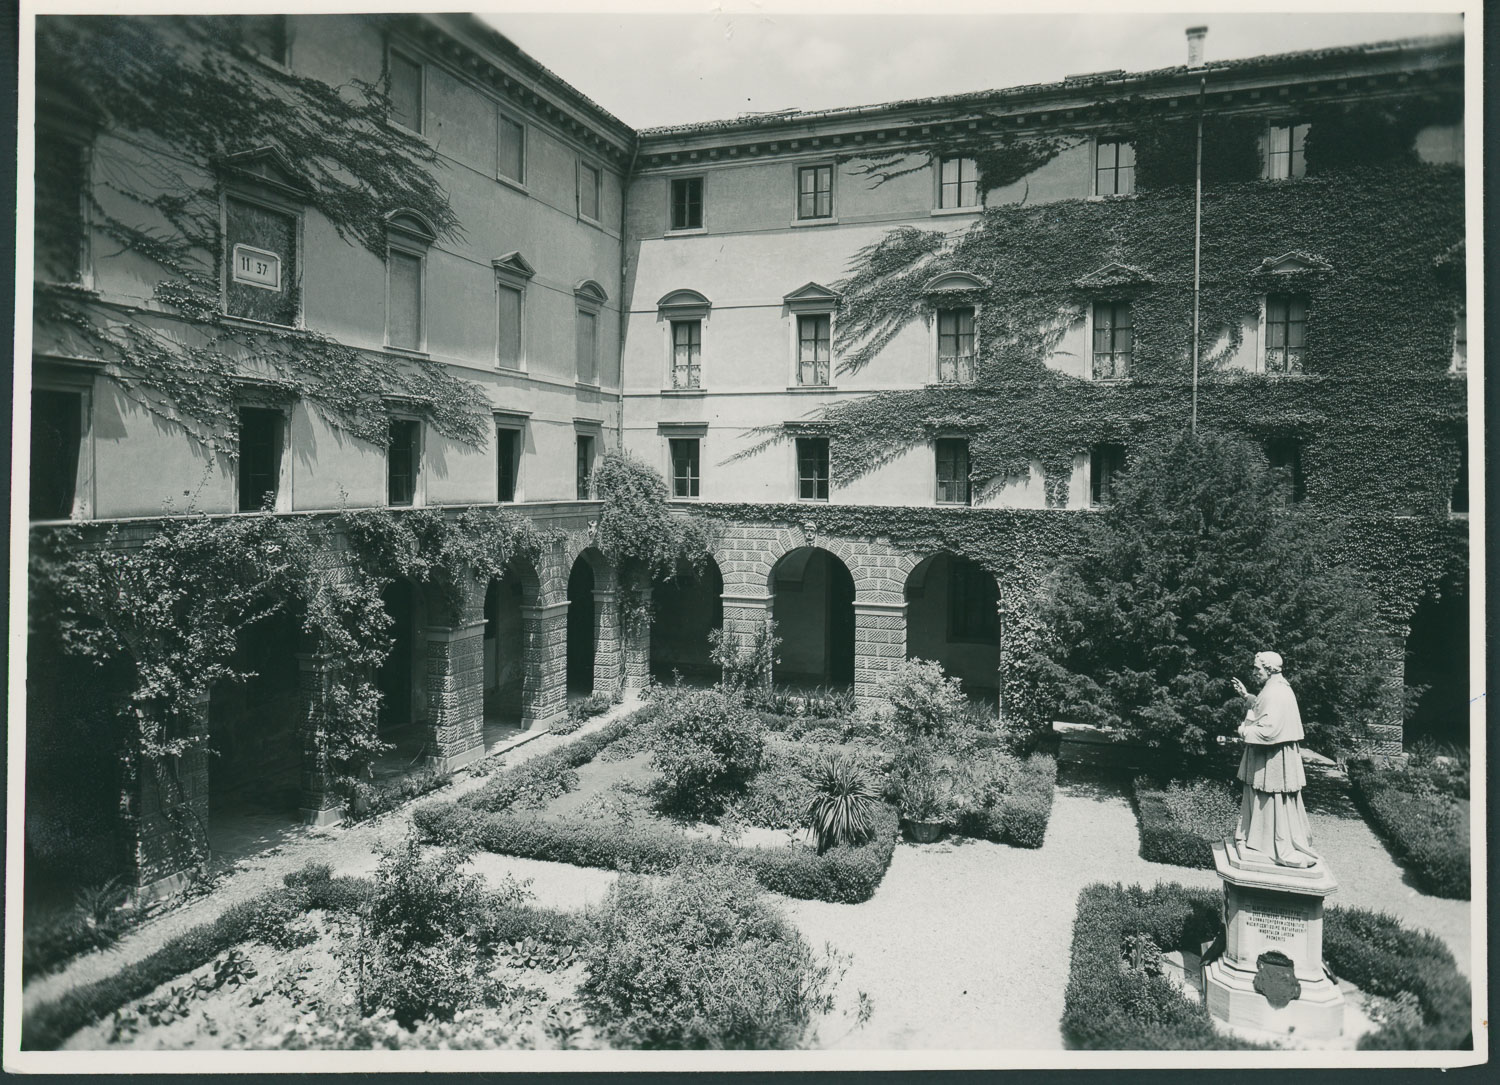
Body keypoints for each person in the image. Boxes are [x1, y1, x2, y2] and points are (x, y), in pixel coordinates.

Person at [1229, 651, 1320, 868]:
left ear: (1269, 669)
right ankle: (1261, 840)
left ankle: (1270, 845)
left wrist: (1243, 731)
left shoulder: (1276, 693)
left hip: (1272, 758)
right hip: (1270, 757)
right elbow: (1264, 709)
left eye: (1257, 668)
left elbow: (1268, 731)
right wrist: (1247, 696)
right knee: (1265, 797)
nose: (1254, 672)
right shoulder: (1275, 688)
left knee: (1271, 798)